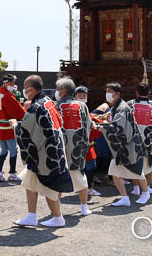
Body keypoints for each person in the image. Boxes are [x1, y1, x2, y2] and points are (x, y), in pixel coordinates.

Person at [14, 75, 72, 227]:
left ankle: (58, 218)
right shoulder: (49, 102)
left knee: (49, 189)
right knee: (30, 183)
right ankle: (31, 215)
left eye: (25, 88)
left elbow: (25, 131)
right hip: (52, 150)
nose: (24, 91)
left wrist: (15, 125)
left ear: (31, 89)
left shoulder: (36, 107)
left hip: (46, 155)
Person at [98, 82, 150, 207]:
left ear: (117, 94)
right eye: (107, 91)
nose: (107, 94)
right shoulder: (116, 107)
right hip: (122, 147)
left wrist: (100, 127)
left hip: (130, 147)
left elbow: (117, 128)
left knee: (137, 173)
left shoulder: (122, 107)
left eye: (110, 92)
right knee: (114, 172)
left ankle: (145, 193)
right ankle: (125, 198)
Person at [54, 77, 94, 216]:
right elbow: (88, 125)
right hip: (77, 148)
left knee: (57, 179)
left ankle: (57, 209)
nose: (56, 91)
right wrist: (84, 143)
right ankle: (84, 207)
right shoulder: (82, 106)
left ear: (63, 91)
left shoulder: (55, 106)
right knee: (80, 178)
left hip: (60, 148)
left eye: (58, 89)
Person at [0, 74, 27, 183]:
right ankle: (12, 174)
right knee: (13, 150)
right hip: (8, 127)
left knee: (3, 150)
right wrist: (26, 115)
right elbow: (18, 111)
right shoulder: (7, 96)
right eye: (11, 83)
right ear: (5, 82)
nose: (13, 84)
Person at [129, 82, 152, 200]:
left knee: (134, 165)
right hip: (149, 142)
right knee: (149, 168)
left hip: (134, 142)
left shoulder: (130, 104)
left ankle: (136, 188)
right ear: (149, 93)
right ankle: (145, 188)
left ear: (136, 92)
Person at [75, 86, 102, 197]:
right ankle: (85, 188)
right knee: (83, 168)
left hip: (87, 145)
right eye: (79, 95)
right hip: (78, 145)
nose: (82, 97)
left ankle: (86, 187)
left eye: (84, 95)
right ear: (75, 96)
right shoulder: (74, 110)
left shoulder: (86, 110)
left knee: (90, 167)